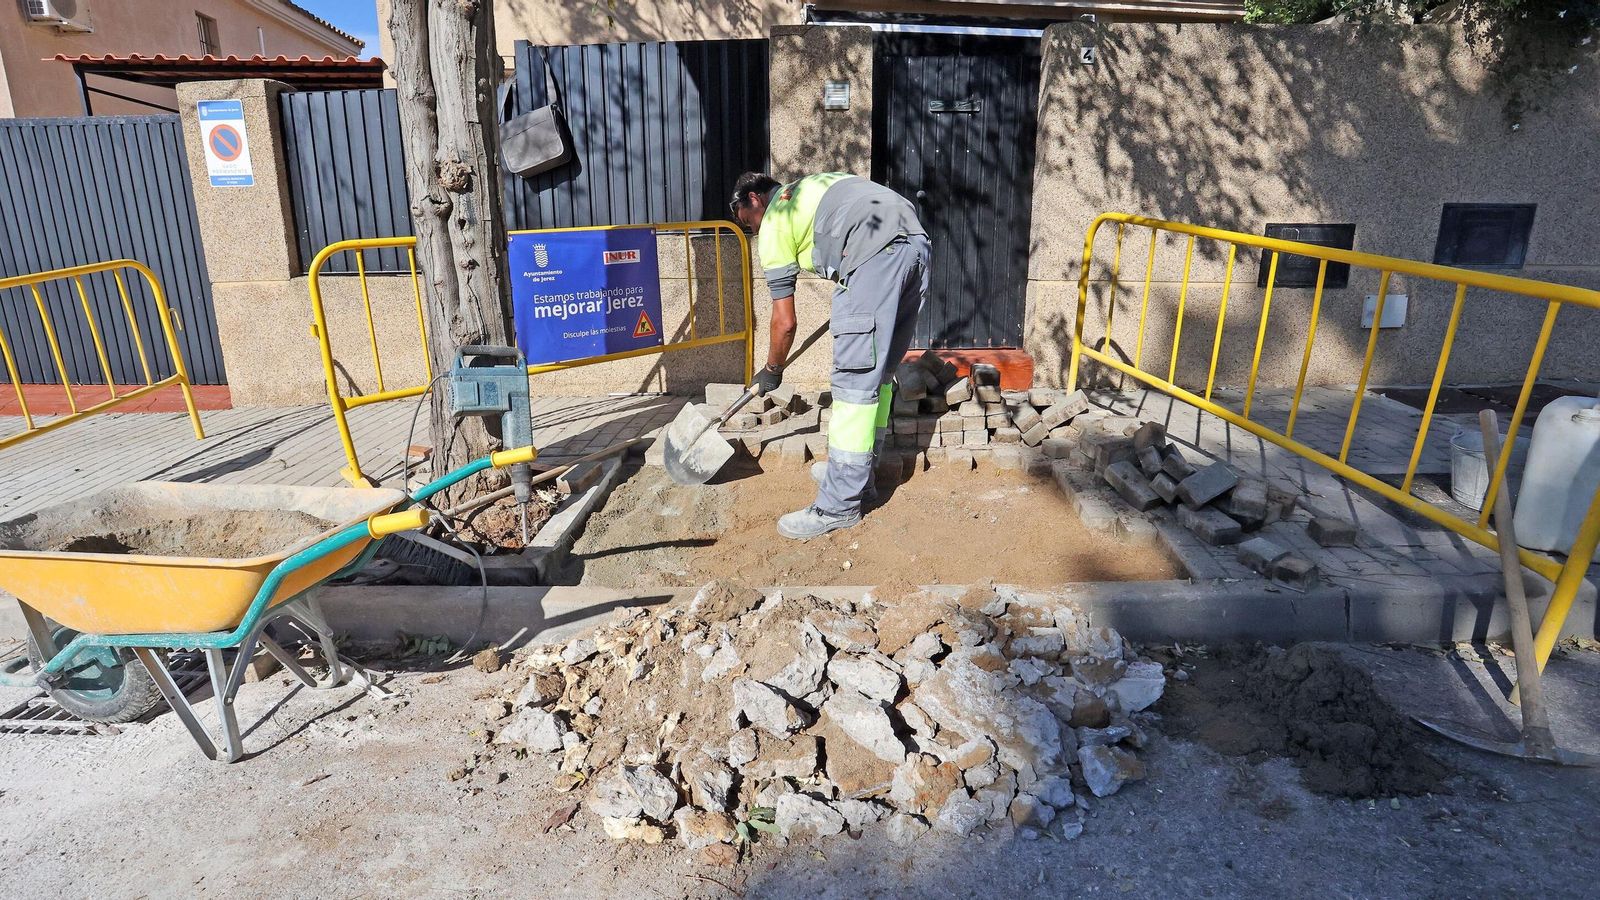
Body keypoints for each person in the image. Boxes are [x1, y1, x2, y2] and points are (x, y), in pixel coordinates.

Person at [729, 171, 931, 540]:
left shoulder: (777, 217)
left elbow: (784, 321)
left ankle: (837, 505)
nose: (755, 230)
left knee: (854, 384)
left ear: (755, 199)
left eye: (749, 222)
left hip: (874, 255)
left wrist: (772, 370)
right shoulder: (816, 183)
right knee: (879, 375)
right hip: (916, 245)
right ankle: (859, 479)